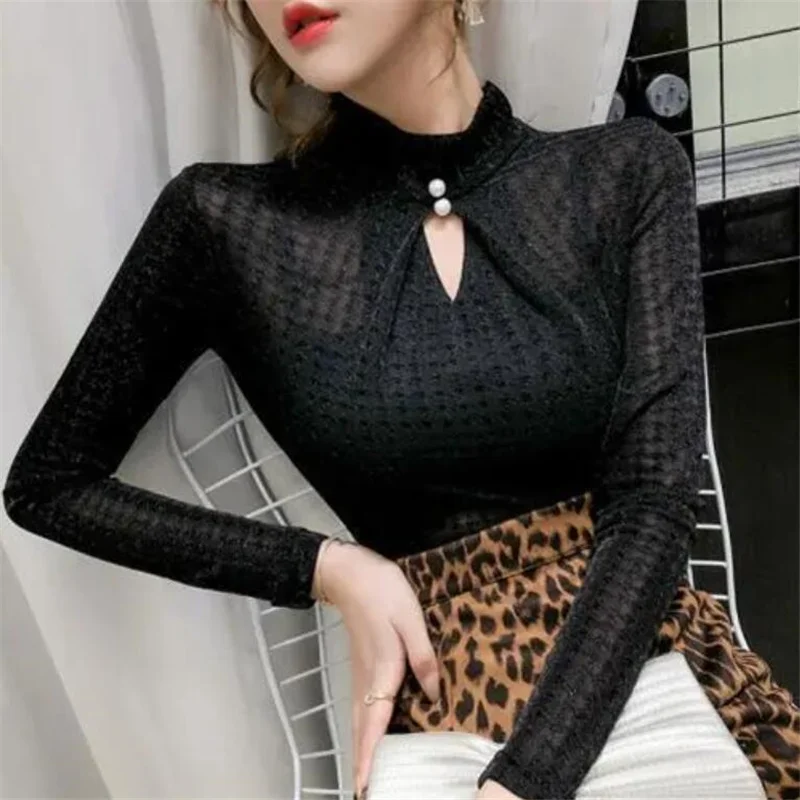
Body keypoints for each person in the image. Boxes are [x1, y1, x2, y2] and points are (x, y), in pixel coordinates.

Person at [4, 0, 799, 798]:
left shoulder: (623, 172)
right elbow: (48, 483)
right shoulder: (228, 224)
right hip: (441, 710)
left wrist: (527, 780)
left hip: (643, 671)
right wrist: (326, 567)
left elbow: (653, 501)